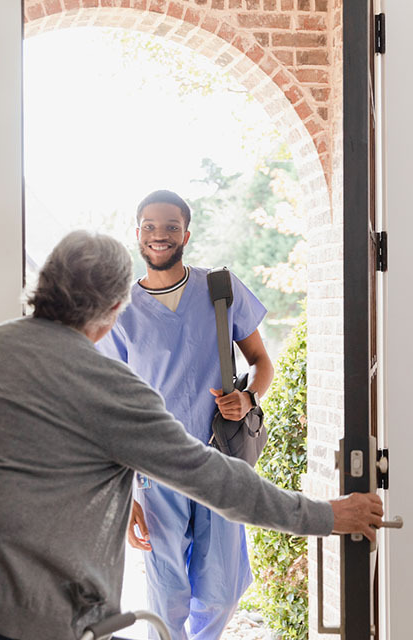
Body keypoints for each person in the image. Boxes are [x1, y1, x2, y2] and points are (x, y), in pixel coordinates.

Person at [0, 230, 383, 640]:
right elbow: (210, 475)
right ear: (118, 307)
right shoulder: (102, 382)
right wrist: (325, 515)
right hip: (15, 604)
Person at [96, 190, 274, 640]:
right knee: (166, 593)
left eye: (170, 227)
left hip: (220, 462)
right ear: (137, 234)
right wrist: (127, 492)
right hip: (156, 470)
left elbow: (261, 362)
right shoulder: (119, 311)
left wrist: (249, 397)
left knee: (222, 590)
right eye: (150, 227)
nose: (160, 236)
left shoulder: (220, 289)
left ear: (186, 235)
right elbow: (109, 408)